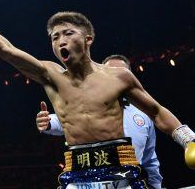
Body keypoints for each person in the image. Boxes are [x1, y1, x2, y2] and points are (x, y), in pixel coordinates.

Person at [0, 0, 195, 188]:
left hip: (121, 170)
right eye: (54, 37)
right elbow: (7, 51)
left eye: (68, 33)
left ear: (88, 40)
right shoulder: (51, 75)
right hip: (76, 173)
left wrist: (188, 140)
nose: (60, 41)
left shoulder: (118, 77)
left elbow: (157, 112)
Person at [36, 55, 162, 188]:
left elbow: (149, 157)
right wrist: (48, 122)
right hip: (89, 182)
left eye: (120, 73)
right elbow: (64, 119)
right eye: (110, 73)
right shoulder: (85, 104)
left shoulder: (144, 113)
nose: (116, 78)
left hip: (127, 182)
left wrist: (156, 185)